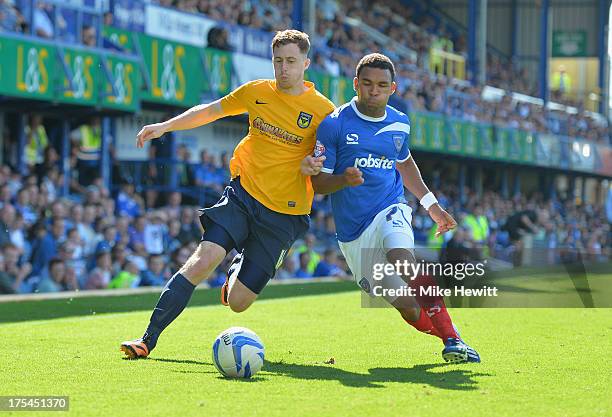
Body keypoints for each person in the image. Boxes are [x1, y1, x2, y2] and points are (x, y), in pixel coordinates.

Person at [120, 30, 335, 359]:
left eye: (291, 61)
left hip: (285, 214)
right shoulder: (256, 92)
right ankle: (147, 339)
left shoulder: (323, 111)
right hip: (243, 194)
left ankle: (237, 267)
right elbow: (210, 111)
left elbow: (327, 164)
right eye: (278, 61)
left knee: (238, 303)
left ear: (306, 64)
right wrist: (165, 126)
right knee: (203, 260)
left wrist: (313, 167)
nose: (283, 68)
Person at [302, 53, 480, 363]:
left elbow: (404, 163)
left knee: (403, 261)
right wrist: (343, 179)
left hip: (390, 208)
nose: (374, 91)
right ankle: (453, 339)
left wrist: (432, 205)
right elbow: (318, 184)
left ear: (393, 88)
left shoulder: (399, 122)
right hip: (353, 233)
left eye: (382, 85)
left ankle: (452, 338)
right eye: (368, 84)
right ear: (356, 84)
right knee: (408, 307)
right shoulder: (334, 125)